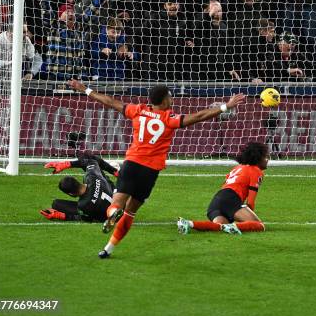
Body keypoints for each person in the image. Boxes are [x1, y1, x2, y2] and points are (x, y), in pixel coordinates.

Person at [67, 80, 245, 258]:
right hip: (150, 171)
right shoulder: (170, 119)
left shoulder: (137, 110)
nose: (172, 99)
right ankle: (108, 248)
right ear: (164, 100)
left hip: (132, 164)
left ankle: (113, 214)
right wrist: (225, 106)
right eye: (169, 96)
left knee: (116, 204)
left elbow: (110, 101)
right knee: (131, 212)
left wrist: (85, 89)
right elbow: (199, 116)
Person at [177, 142, 269, 235]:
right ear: (258, 158)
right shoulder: (256, 171)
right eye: (265, 157)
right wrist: (247, 217)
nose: (267, 160)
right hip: (231, 199)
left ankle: (189, 223)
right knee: (259, 225)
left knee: (220, 227)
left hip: (216, 202)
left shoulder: (237, 168)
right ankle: (234, 227)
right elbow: (250, 202)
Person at [40, 153, 118, 222]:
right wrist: (66, 164)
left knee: (56, 204)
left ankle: (115, 172)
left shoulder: (83, 205)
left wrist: (61, 216)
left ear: (71, 194)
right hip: (116, 196)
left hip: (109, 215)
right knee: (87, 157)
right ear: (77, 181)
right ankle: (116, 171)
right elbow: (90, 160)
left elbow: (85, 218)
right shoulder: (91, 176)